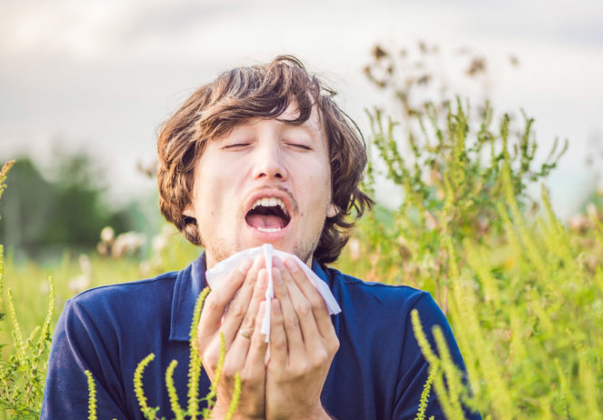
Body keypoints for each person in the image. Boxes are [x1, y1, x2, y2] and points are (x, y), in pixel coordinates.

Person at [41, 56, 478, 420]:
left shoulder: (407, 329)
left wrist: (305, 412)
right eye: (236, 144)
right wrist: (236, 411)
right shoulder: (101, 329)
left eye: (300, 146)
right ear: (189, 194)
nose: (270, 165)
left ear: (333, 196)